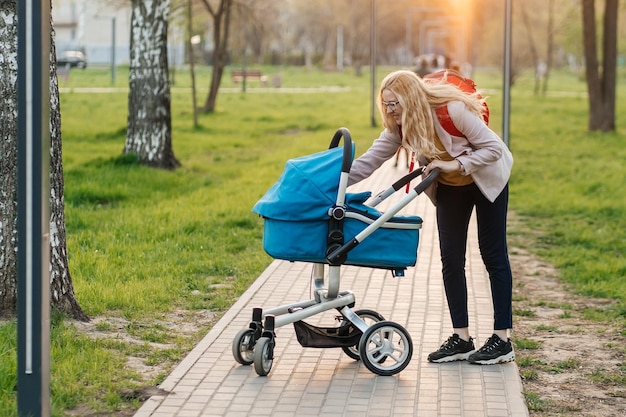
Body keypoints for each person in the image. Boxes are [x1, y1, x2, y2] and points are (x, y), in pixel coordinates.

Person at [347, 70, 515, 365]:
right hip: (452, 188)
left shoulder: (452, 110)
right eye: (385, 104)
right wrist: (332, 181)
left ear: (410, 98)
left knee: (493, 255)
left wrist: (452, 165)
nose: (389, 111)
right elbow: (368, 162)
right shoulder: (400, 128)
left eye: (393, 104)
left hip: (486, 180)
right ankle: (461, 338)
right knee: (451, 258)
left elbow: (493, 149)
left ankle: (502, 340)